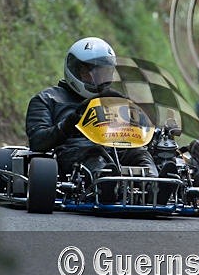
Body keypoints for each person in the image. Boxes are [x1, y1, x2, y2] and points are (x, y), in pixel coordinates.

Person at [25, 37, 159, 185]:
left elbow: (138, 131)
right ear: (75, 69)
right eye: (92, 73)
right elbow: (38, 142)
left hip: (117, 150)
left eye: (104, 73)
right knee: (94, 154)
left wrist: (154, 132)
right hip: (76, 153)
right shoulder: (48, 99)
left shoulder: (115, 99)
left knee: (139, 153)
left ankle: (155, 184)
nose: (99, 79)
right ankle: (105, 184)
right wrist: (68, 125)